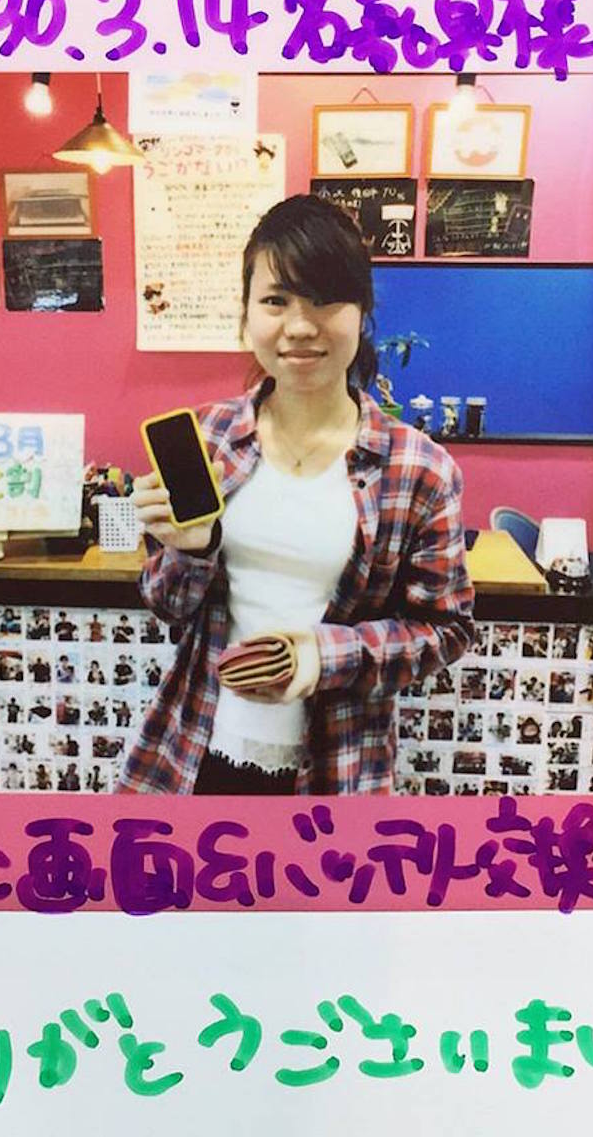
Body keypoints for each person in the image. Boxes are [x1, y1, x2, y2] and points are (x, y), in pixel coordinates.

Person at [118, 194, 474, 795]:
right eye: (276, 301)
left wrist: (320, 657)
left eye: (325, 299)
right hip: (194, 752)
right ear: (246, 313)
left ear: (361, 312)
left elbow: (446, 630)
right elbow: (168, 606)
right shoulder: (209, 439)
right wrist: (191, 550)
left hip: (339, 768)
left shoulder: (419, 469)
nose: (301, 325)